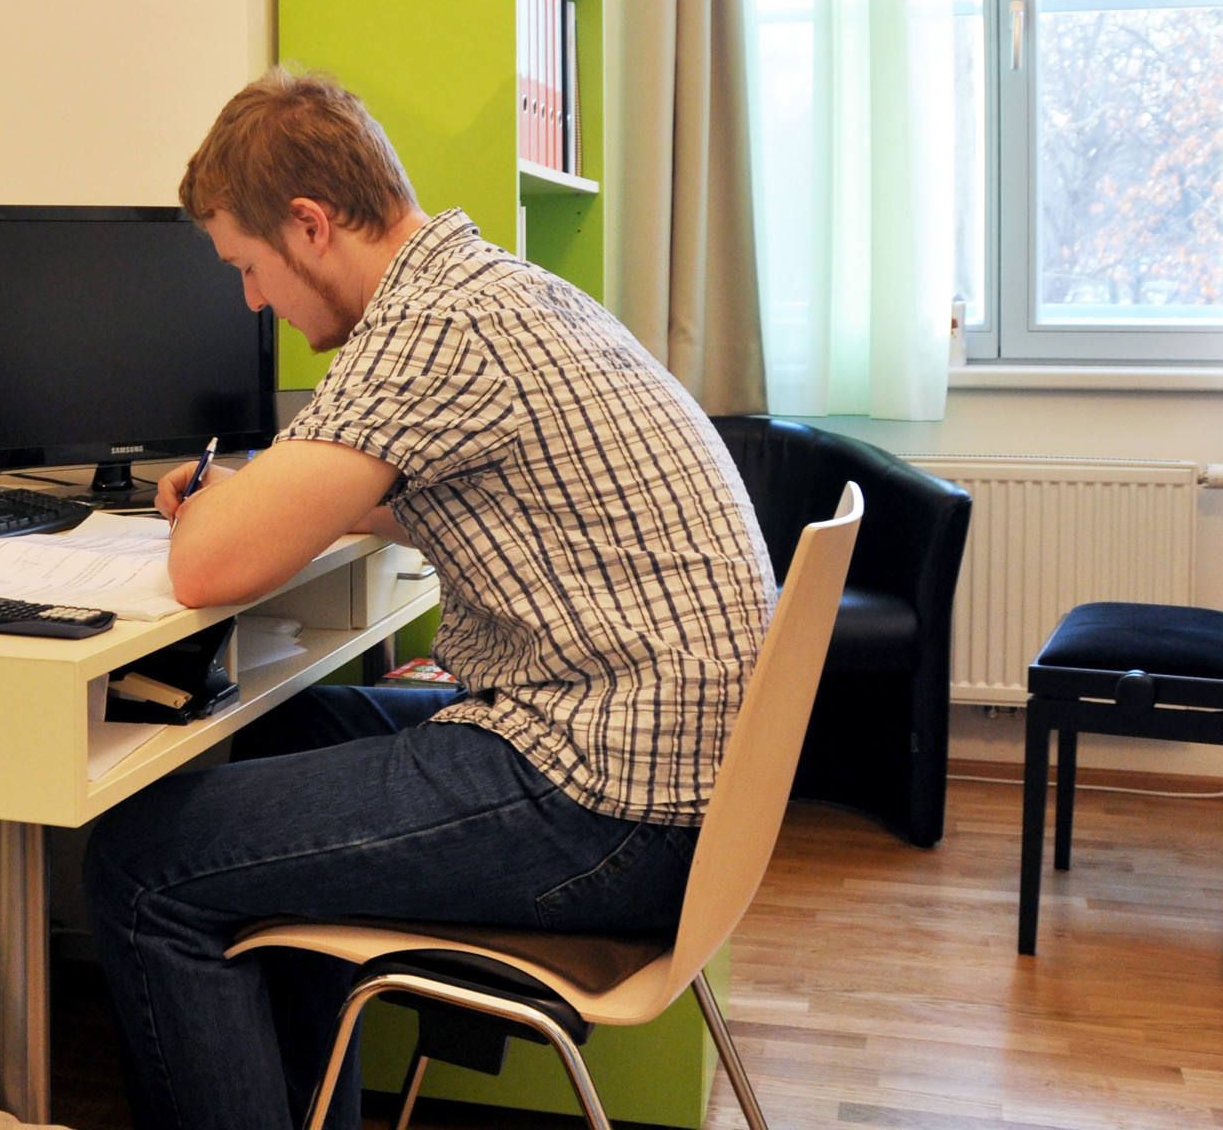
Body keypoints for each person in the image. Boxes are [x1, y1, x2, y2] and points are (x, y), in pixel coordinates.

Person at [82, 68, 776, 1130]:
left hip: (606, 805)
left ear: (310, 224)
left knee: (141, 863)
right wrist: (281, 499)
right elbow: (488, 501)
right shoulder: (492, 287)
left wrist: (234, 510)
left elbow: (204, 571)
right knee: (291, 727)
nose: (252, 301)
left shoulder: (427, 328)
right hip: (677, 784)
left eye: (249, 266)